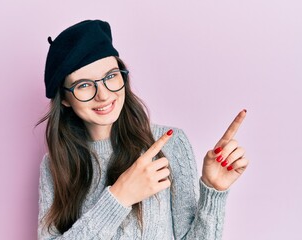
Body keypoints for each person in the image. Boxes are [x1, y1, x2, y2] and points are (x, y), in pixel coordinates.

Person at [37, 19, 249, 240]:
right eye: (84, 85)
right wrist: (119, 198)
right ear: (65, 99)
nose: (103, 94)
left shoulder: (170, 143)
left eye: (110, 76)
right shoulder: (54, 164)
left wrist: (213, 191)